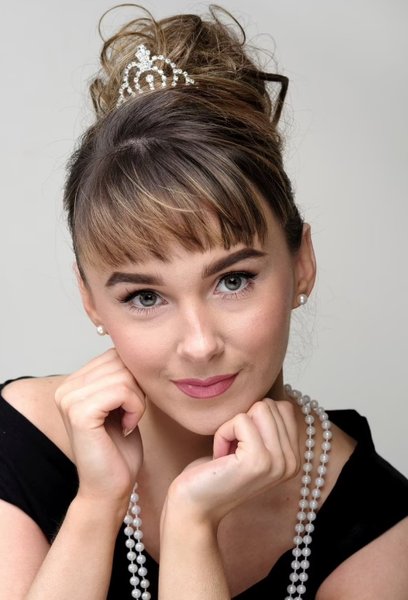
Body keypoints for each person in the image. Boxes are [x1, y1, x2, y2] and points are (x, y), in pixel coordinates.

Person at [0, 5, 407, 599]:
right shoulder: (20, 442)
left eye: (233, 281)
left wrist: (192, 526)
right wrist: (97, 503)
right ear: (90, 300)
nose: (198, 343)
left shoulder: (377, 527)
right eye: (145, 296)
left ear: (302, 264)